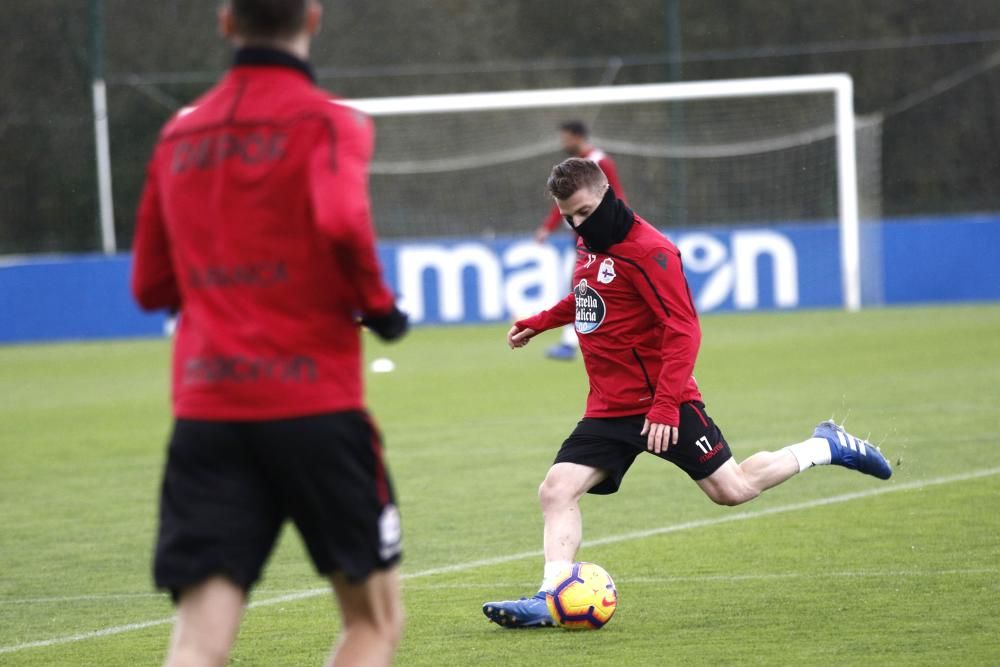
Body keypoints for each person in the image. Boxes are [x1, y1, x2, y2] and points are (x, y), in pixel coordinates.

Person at [482, 158, 892, 629]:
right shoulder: (591, 241)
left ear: (608, 195)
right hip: (609, 407)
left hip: (665, 401)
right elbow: (590, 297)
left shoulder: (652, 252)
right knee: (555, 490)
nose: (577, 224)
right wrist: (540, 323)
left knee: (731, 490)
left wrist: (663, 406)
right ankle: (549, 598)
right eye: (569, 215)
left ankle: (825, 445)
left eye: (584, 211)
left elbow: (684, 329)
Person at [130, 1, 408, 665]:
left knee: (198, 642)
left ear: (226, 22)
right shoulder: (331, 121)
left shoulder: (178, 133)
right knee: (373, 621)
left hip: (209, 409)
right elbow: (342, 219)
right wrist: (380, 307)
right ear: (313, 18)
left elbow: (149, 287)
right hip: (314, 407)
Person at [534, 121, 626, 361]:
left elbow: (618, 197)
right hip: (581, 239)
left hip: (601, 240)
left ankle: (573, 344)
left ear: (577, 136)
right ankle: (573, 343)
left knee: (583, 288)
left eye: (565, 137)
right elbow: (564, 201)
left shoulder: (599, 162)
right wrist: (548, 227)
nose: (562, 143)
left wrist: (617, 232)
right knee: (581, 288)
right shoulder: (575, 167)